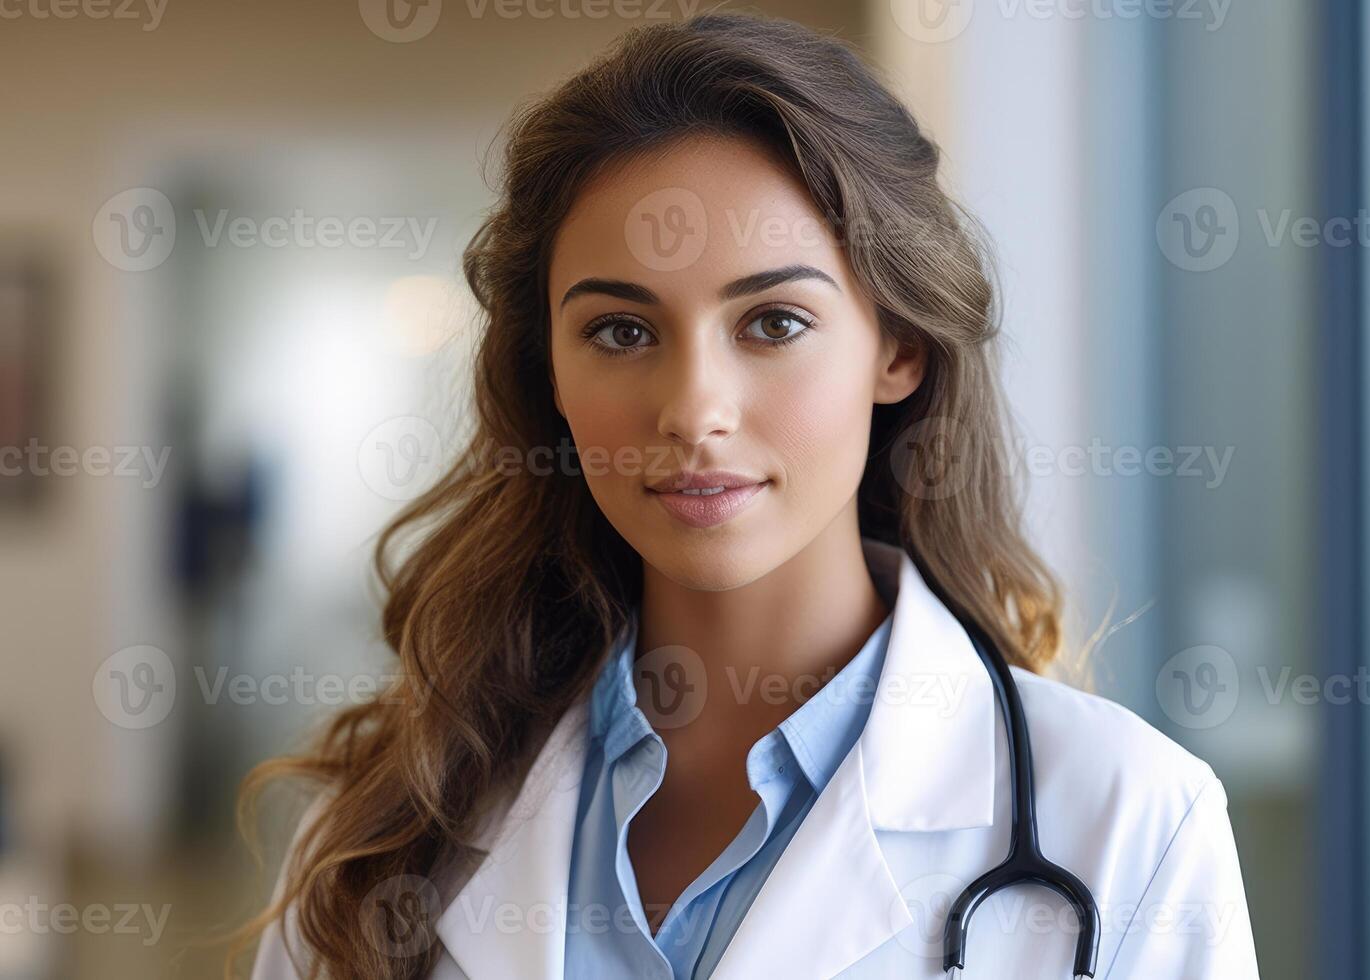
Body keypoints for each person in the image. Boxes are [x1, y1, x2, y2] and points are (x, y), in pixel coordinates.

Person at [234, 11, 1259, 979]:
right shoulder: (378, 826)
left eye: (772, 322)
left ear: (897, 346)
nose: (693, 408)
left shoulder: (1130, 822)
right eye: (621, 331)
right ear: (547, 365)